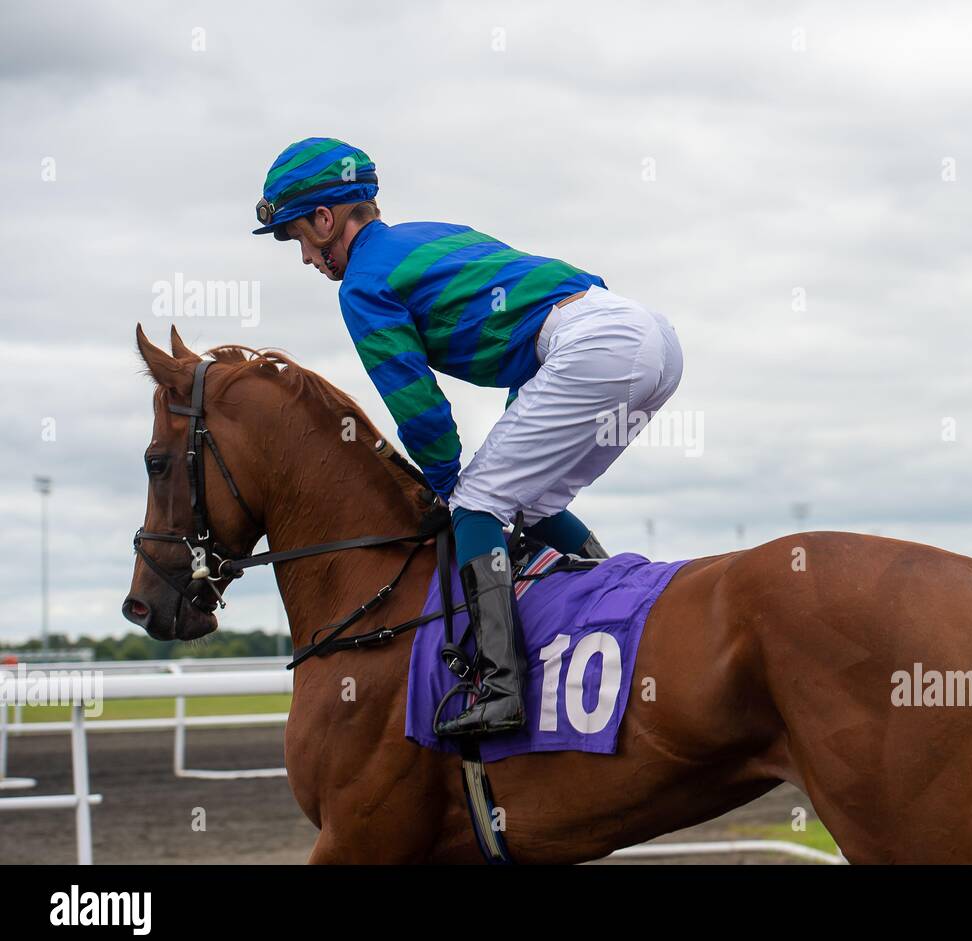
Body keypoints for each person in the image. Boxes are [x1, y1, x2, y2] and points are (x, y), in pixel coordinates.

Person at [253, 137, 683, 737]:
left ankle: (501, 689)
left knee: (477, 502)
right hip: (648, 337)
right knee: (534, 504)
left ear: (325, 221)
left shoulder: (363, 284)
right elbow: (547, 305)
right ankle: (620, 619)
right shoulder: (432, 233)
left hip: (597, 348)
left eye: (298, 237)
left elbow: (417, 404)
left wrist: (446, 487)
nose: (304, 257)